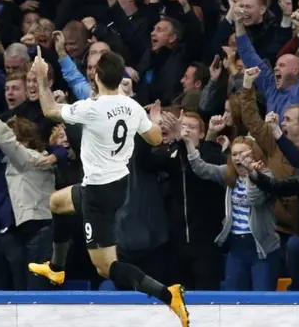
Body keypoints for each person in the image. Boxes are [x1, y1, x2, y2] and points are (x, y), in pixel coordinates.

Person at [28, 47, 189, 327]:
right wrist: (150, 119)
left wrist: (42, 78)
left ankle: (167, 294)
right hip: (117, 184)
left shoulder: (92, 108)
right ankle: (56, 267)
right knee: (57, 203)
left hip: (98, 194)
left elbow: (49, 110)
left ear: (97, 76)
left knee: (106, 268)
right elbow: (153, 139)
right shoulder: (131, 106)